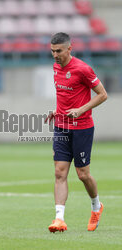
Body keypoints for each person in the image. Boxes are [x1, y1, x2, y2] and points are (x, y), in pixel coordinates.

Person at [45, 32, 107, 233]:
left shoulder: (82, 69)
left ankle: (96, 206)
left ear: (69, 49)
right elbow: (64, 95)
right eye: (53, 51)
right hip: (62, 126)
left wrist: (81, 110)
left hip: (82, 128)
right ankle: (59, 219)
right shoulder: (55, 67)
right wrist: (57, 111)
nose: (55, 55)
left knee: (83, 175)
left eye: (59, 51)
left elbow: (102, 94)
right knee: (59, 172)